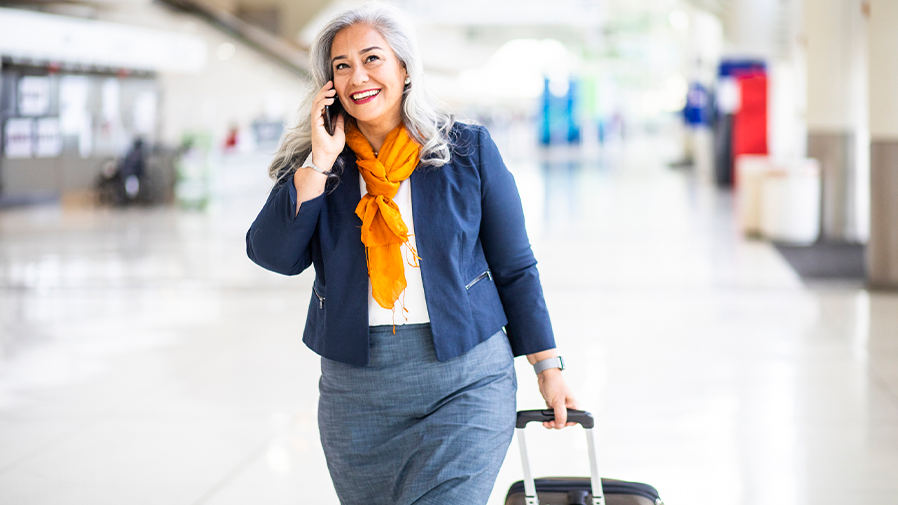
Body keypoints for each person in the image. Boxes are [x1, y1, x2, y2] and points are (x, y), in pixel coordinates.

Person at [246, 3, 578, 503]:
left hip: (465, 377)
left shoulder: (467, 150)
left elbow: (515, 267)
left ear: (404, 68)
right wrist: (318, 161)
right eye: (342, 65)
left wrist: (547, 368)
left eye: (372, 58)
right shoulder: (319, 164)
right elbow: (274, 255)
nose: (358, 75)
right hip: (358, 392)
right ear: (328, 84)